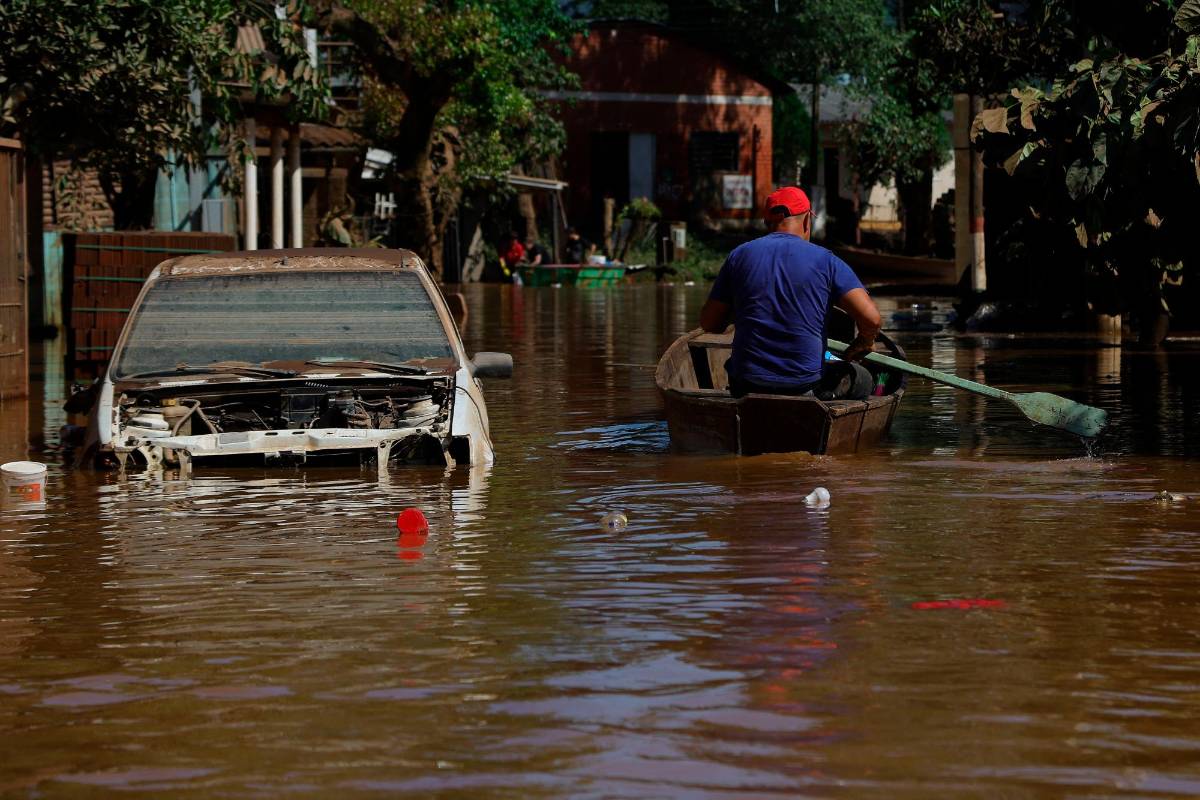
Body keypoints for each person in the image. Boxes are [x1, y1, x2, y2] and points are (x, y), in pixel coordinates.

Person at [699, 186, 882, 399]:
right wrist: (864, 341)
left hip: (746, 383)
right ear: (807, 221)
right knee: (864, 379)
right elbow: (872, 319)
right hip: (803, 385)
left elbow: (709, 324)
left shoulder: (738, 256)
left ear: (768, 223)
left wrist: (738, 312)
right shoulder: (827, 261)